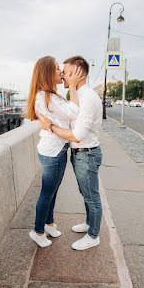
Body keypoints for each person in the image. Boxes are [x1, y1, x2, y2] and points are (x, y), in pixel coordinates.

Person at [39, 56, 103, 251]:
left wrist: (49, 126)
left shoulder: (88, 97)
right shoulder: (79, 95)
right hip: (80, 154)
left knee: (91, 196)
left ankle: (93, 236)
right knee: (86, 193)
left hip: (87, 153)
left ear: (78, 73)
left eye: (65, 72)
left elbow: (76, 135)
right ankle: (89, 223)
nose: (62, 76)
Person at [26, 56, 84, 248]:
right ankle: (38, 231)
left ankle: (49, 224)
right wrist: (74, 86)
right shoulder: (46, 96)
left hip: (54, 149)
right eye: (58, 69)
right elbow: (75, 113)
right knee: (47, 193)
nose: (61, 72)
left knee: (52, 191)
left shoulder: (48, 95)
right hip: (53, 152)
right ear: (48, 73)